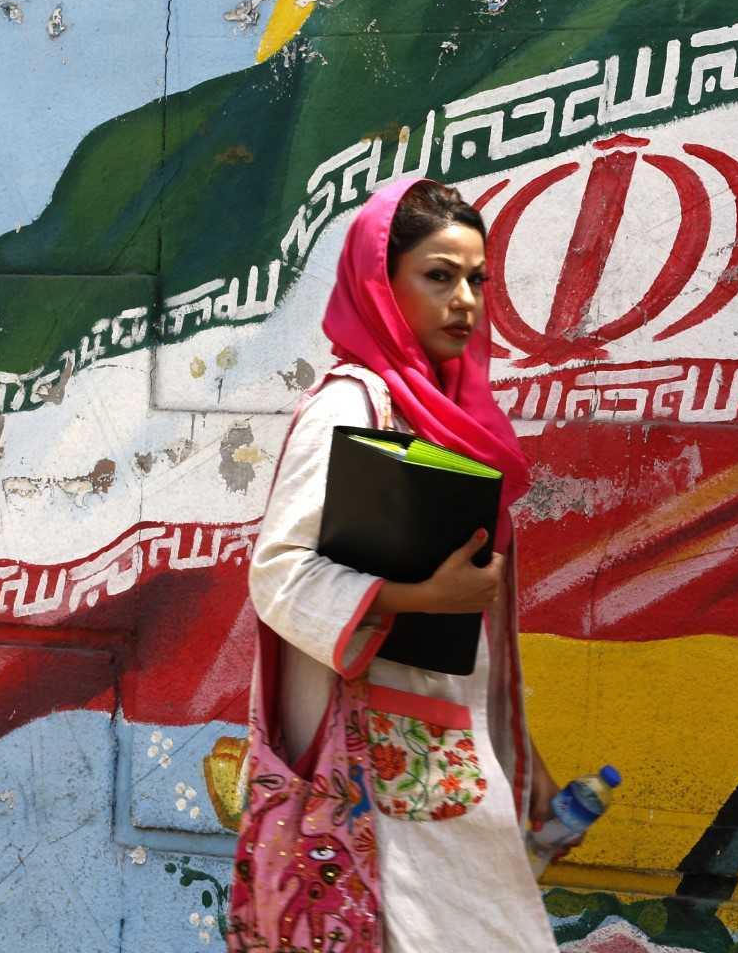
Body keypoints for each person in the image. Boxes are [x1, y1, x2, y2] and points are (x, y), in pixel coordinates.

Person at [246, 176, 563, 951]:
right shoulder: (351, 406)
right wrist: (421, 596)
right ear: (379, 286)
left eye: (476, 279)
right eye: (439, 276)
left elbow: (473, 645)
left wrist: (522, 768)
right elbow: (279, 573)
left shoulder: (452, 419)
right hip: (367, 776)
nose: (466, 300)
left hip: (441, 768)